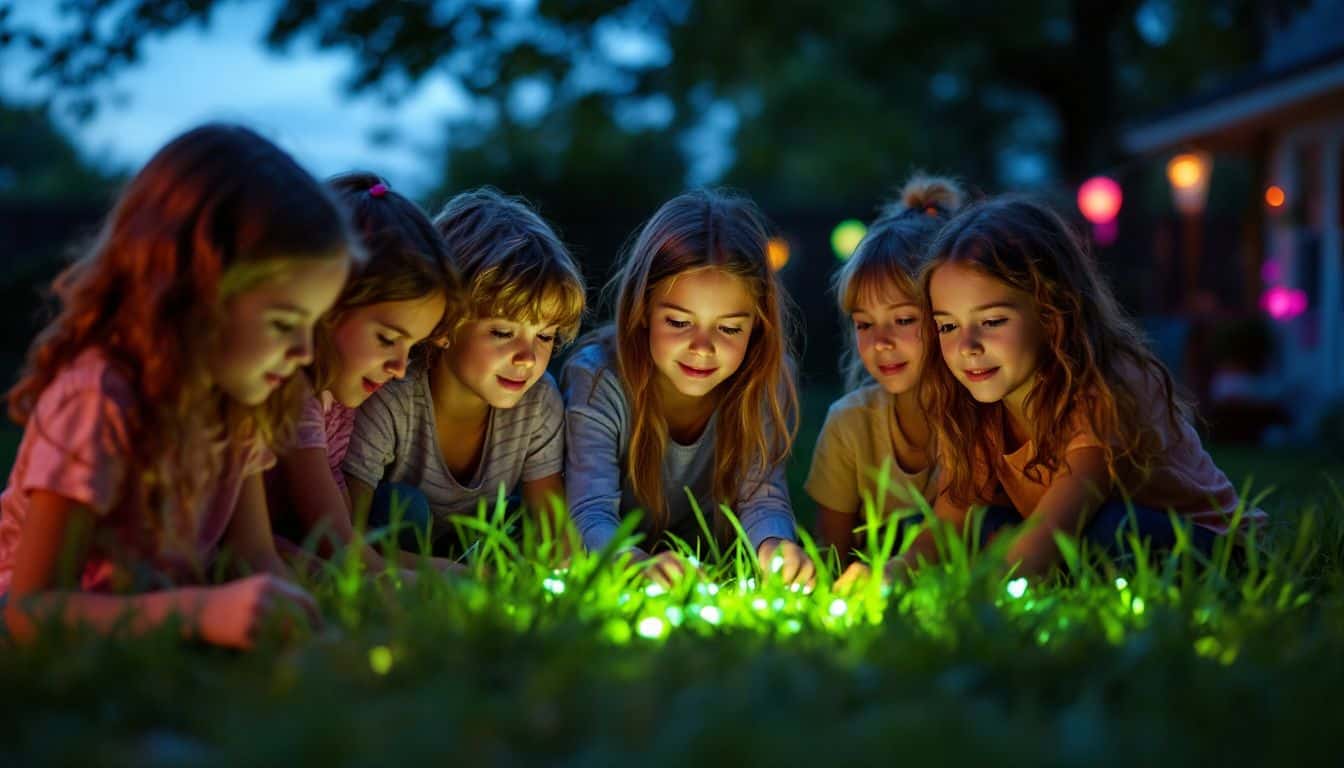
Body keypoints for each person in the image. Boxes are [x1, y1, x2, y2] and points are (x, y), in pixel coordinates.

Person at [0, 124, 353, 648]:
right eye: (284, 323)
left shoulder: (239, 399)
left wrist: (303, 626)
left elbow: (252, 556)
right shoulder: (100, 398)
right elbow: (25, 613)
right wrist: (199, 613)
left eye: (314, 324)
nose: (305, 353)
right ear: (194, 298)